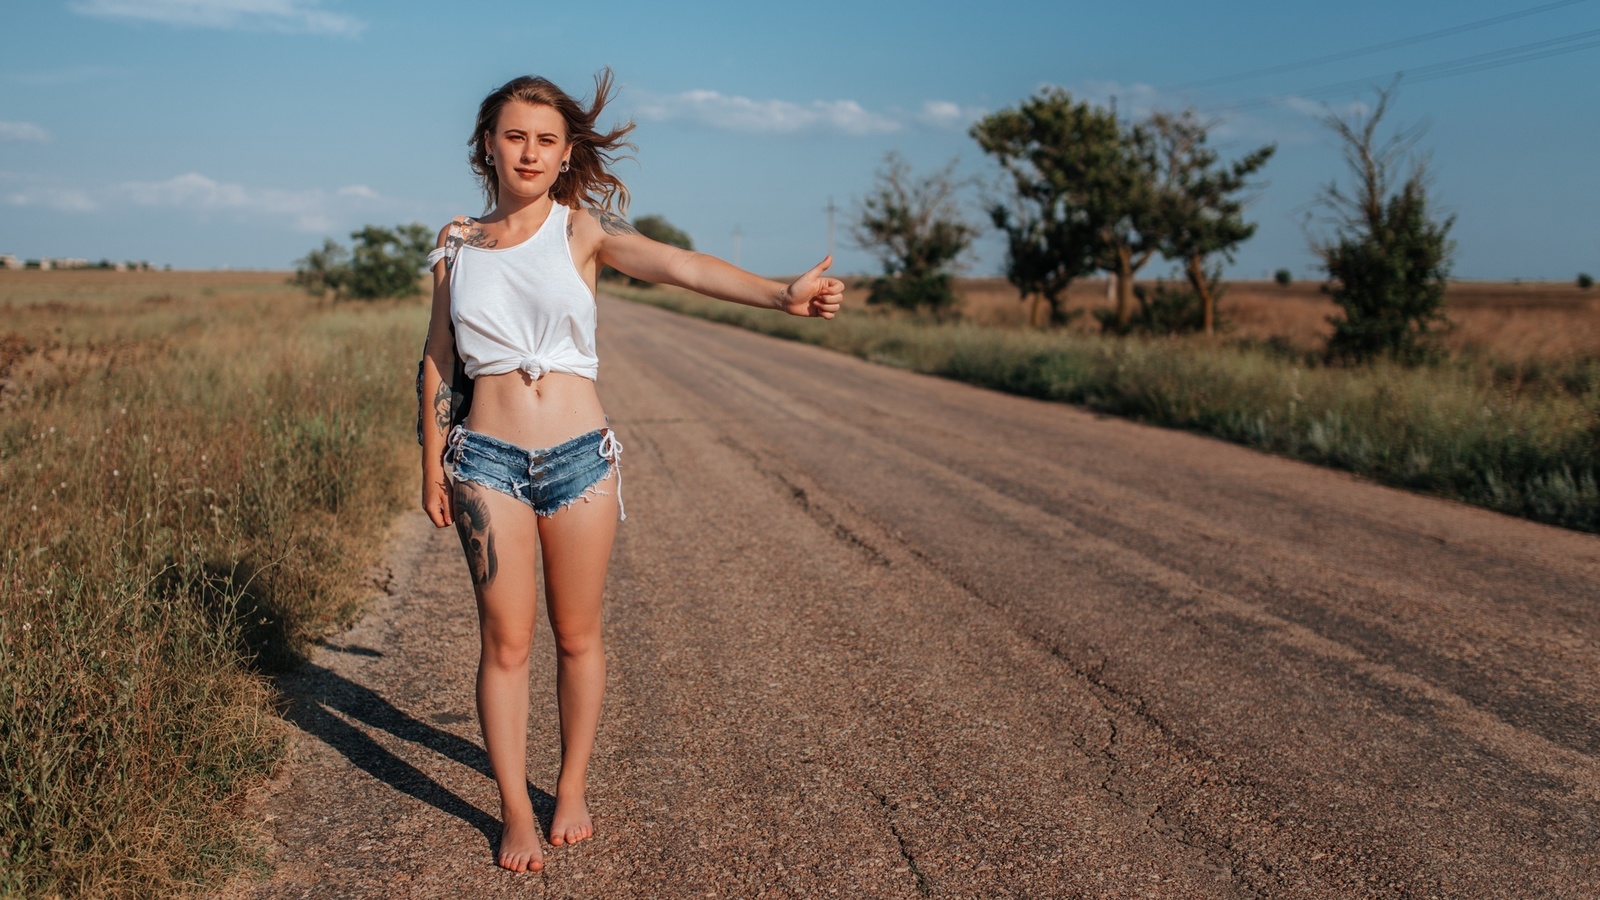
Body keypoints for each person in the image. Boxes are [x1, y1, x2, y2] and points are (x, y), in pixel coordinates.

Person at [417, 70, 844, 873]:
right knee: (505, 644)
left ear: (567, 150)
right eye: (515, 136)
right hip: (485, 462)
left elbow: (682, 266)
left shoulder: (581, 232)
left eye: (546, 139)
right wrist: (427, 461)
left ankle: (570, 786)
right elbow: (438, 359)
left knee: (577, 637)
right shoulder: (455, 245)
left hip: (580, 458)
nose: (530, 152)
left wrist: (778, 293)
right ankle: (514, 809)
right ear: (488, 144)